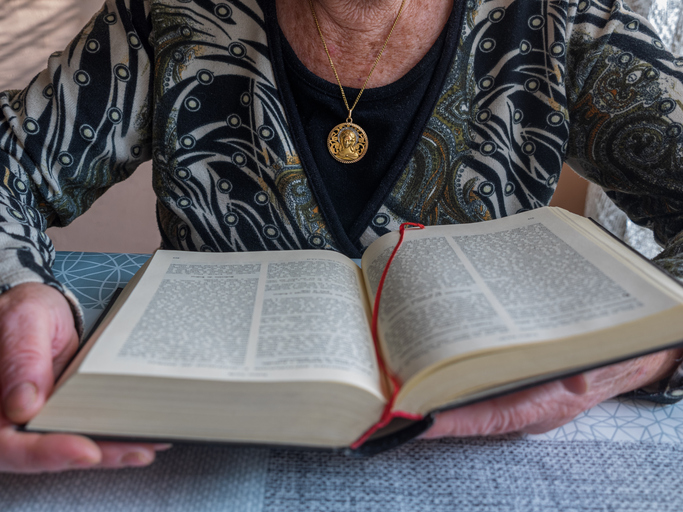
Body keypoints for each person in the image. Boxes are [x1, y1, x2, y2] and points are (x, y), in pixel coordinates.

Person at [0, 0, 682, 473]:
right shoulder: (168, 15)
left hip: (488, 462)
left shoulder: (567, 19)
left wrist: (648, 354)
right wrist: (20, 289)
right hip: (201, 448)